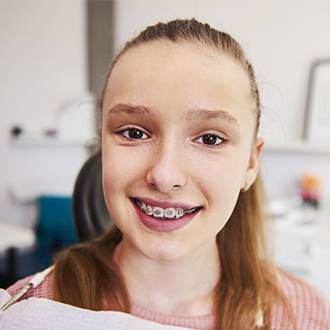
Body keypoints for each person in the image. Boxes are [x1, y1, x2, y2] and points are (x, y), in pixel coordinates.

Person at [5, 18, 330, 329]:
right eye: (134, 133)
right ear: (102, 145)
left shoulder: (307, 316)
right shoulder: (25, 310)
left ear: (250, 164)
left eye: (210, 139)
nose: (164, 175)